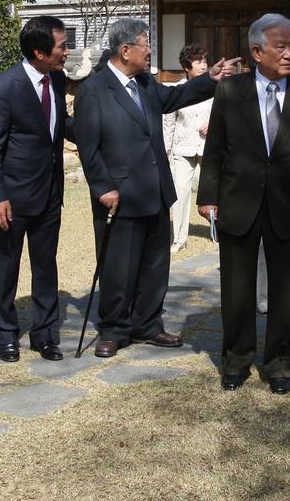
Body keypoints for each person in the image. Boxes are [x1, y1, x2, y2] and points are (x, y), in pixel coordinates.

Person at [74, 19, 239, 358]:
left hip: (154, 189)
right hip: (118, 195)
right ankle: (114, 329)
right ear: (125, 50)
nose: (150, 51)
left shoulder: (146, 82)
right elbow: (88, 146)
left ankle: (148, 323)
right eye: (145, 45)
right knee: (118, 267)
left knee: (154, 264)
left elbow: (174, 96)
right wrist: (102, 186)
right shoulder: (94, 89)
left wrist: (210, 79)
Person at [198, 14, 290, 395]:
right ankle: (236, 360)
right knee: (237, 287)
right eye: (281, 47)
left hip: (289, 203)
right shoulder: (229, 91)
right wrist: (208, 197)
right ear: (257, 52)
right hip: (239, 201)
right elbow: (215, 148)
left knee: (288, 288)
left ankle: (281, 364)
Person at [0, 16, 74, 363]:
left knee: (46, 266)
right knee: (4, 267)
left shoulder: (57, 79)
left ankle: (44, 334)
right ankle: (4, 333)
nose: (67, 51)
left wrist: (97, 132)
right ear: (39, 52)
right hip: (12, 196)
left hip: (49, 192)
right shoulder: (4, 87)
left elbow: (58, 126)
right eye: (62, 46)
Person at [162, 44, 212, 254]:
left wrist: (212, 122)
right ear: (186, 67)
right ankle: (179, 238)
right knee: (180, 192)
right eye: (198, 61)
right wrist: (165, 152)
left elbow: (223, 112)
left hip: (209, 147)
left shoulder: (214, 87)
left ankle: (218, 232)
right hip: (182, 147)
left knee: (214, 193)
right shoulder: (177, 90)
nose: (203, 66)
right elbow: (168, 124)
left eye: (205, 61)